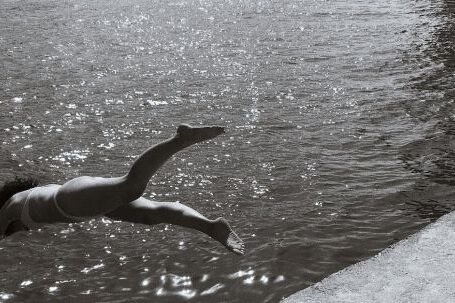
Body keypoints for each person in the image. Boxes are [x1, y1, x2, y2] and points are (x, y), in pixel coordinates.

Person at [0, 124, 245, 255]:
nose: (22, 233)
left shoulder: (10, 206)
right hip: (82, 208)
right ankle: (211, 226)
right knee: (152, 215)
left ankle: (180, 140)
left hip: (67, 201)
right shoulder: (21, 205)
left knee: (131, 187)